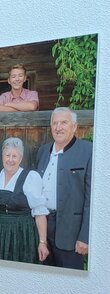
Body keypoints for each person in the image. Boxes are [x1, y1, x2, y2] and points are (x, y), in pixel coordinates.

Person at [35, 107, 92, 269]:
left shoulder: (88, 151)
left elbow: (92, 199)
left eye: (64, 123)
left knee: (71, 280)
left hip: (71, 232)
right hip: (43, 229)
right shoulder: (43, 151)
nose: (58, 127)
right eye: (55, 123)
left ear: (74, 126)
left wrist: (85, 236)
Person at [0, 137, 49, 264]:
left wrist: (42, 242)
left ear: (21, 158)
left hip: (21, 233)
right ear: (2, 156)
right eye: (7, 155)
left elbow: (39, 212)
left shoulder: (30, 177)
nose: (10, 160)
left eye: (14, 156)